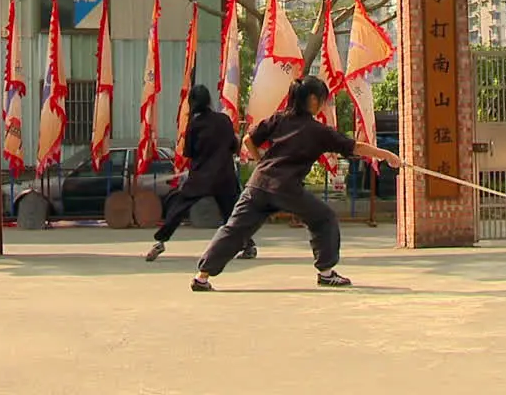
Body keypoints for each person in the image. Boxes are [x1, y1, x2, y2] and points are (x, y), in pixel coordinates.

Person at [190, 76, 402, 292]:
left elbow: (248, 140)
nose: (322, 104)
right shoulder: (317, 130)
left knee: (234, 229)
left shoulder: (278, 119)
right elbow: (354, 146)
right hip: (286, 188)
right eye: (322, 99)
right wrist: (385, 154)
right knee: (323, 218)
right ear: (312, 99)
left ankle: (201, 276)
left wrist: (260, 161)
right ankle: (326, 273)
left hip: (258, 184)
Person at [145, 85, 256, 262]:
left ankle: (160, 241)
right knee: (231, 212)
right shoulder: (224, 120)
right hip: (224, 175)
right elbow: (234, 146)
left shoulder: (194, 125)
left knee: (180, 207)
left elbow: (189, 152)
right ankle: (248, 245)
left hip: (202, 176)